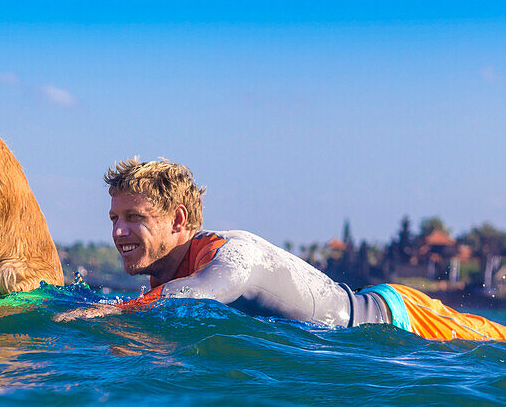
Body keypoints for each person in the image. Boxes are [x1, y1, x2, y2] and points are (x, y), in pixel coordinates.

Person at [55, 157, 506, 342]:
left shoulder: (234, 257)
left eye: (134, 217)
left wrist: (111, 312)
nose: (119, 232)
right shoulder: (165, 271)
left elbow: (203, 293)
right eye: (114, 218)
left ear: (177, 220)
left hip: (401, 319)